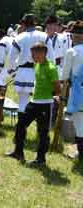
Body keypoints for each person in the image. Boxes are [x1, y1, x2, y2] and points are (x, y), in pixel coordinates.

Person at [7, 42, 61, 165]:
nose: (33, 57)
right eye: (32, 54)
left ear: (43, 54)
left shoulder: (51, 68)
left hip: (45, 105)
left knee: (43, 133)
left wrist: (52, 95)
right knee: (20, 125)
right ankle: (18, 152)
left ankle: (40, 159)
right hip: (33, 103)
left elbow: (57, 88)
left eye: (35, 55)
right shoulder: (36, 65)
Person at [8, 14, 55, 119]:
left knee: (22, 101)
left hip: (23, 72)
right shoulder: (44, 36)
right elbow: (51, 57)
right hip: (41, 72)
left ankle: (21, 129)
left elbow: (11, 58)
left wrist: (11, 71)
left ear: (23, 24)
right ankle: (40, 129)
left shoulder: (18, 37)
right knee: (40, 102)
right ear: (35, 23)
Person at [62, 20, 83, 162]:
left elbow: (64, 76)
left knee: (80, 122)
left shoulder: (72, 51)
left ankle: (81, 152)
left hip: (78, 91)